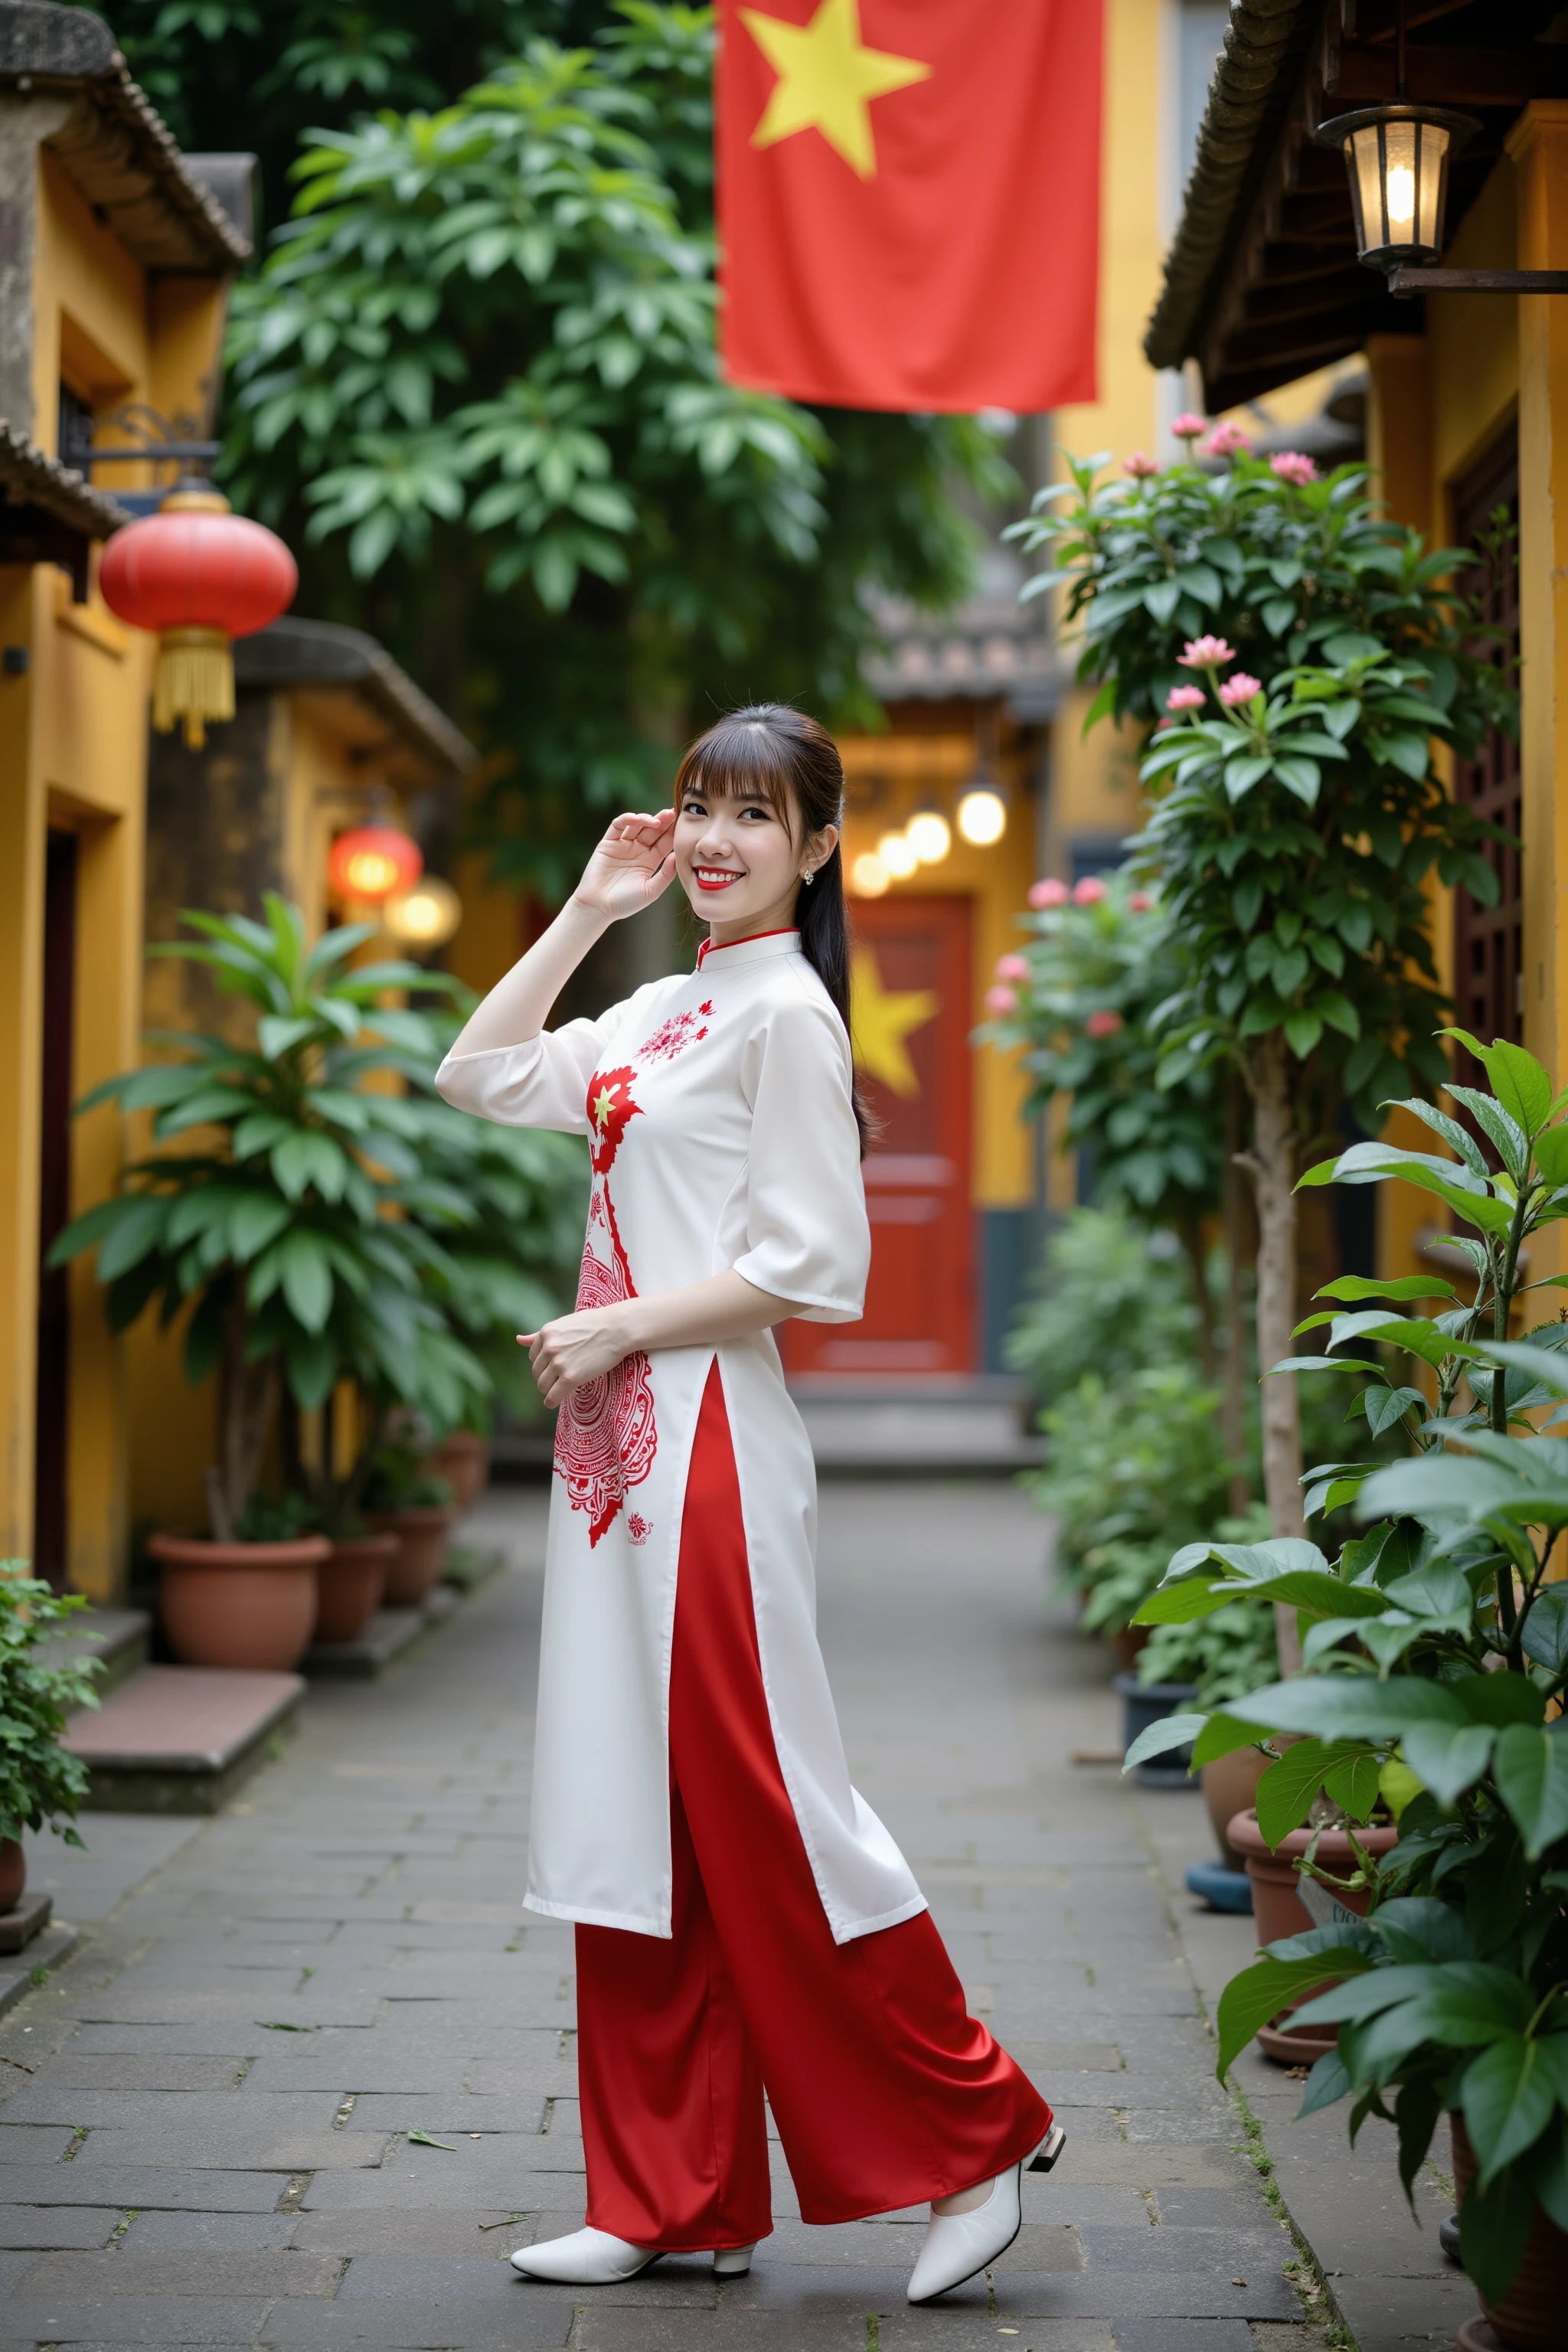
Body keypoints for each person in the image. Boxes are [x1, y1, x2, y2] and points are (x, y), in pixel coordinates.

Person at [436, 704, 1062, 2305]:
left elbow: (815, 1265)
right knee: (634, 1821)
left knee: (765, 1810)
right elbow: (479, 1071)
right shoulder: (661, 1004)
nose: (713, 839)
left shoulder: (789, 1015)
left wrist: (620, 1326)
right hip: (619, 1467)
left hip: (709, 1452)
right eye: (698, 806)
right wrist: (589, 907)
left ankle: (976, 2126)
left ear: (818, 846)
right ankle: (675, 2193)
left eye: (754, 816)